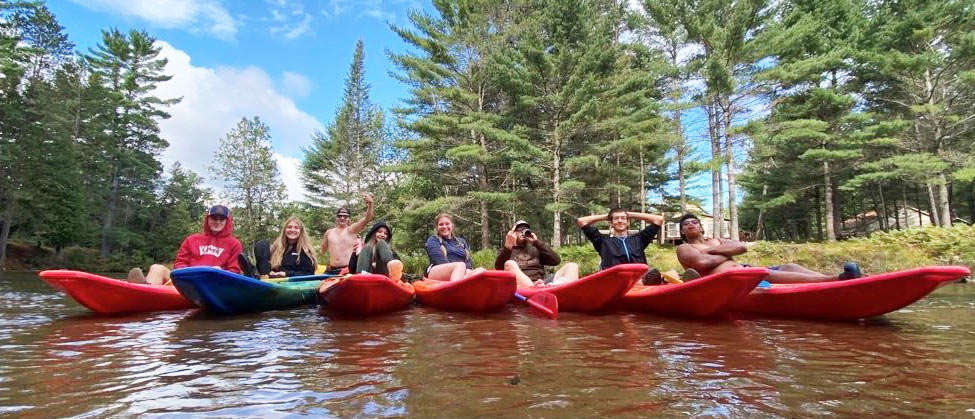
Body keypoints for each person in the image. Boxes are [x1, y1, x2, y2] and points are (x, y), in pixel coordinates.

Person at [675, 213, 861, 283]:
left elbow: (741, 248)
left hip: (743, 271)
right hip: (729, 284)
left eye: (694, 222)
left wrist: (712, 250)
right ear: (682, 231)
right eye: (686, 224)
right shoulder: (684, 248)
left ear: (701, 227)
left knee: (789, 267)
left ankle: (843, 282)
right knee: (762, 273)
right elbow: (702, 263)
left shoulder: (715, 241)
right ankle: (836, 279)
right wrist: (726, 253)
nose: (691, 225)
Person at [127, 205, 243, 285]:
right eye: (213, 218)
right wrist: (191, 275)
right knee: (156, 268)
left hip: (213, 283)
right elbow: (179, 264)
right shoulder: (191, 239)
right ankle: (145, 290)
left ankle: (144, 291)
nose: (217, 222)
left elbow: (234, 271)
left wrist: (217, 272)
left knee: (216, 270)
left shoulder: (234, 244)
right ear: (208, 219)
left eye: (221, 219)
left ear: (226, 222)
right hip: (187, 281)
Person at [495, 220, 579, 288]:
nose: (523, 232)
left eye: (525, 230)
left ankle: (570, 292)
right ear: (513, 233)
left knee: (572, 266)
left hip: (541, 283)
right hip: (522, 286)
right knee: (509, 263)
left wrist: (537, 243)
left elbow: (556, 261)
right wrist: (508, 248)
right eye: (520, 230)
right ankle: (535, 290)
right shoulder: (506, 250)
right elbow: (499, 269)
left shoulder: (536, 248)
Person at [576, 208, 665, 270]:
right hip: (615, 281)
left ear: (628, 222)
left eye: (623, 218)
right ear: (611, 223)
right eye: (616, 218)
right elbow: (581, 221)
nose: (620, 221)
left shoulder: (639, 239)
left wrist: (630, 214)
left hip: (638, 279)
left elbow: (659, 219)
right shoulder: (602, 241)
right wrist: (608, 215)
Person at [320, 193, 374, 275]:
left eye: (345, 216)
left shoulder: (351, 230)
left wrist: (370, 204)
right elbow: (323, 250)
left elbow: (367, 219)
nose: (342, 218)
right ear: (336, 218)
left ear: (349, 218)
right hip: (331, 269)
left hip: (347, 270)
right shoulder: (329, 232)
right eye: (340, 216)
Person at [247, 216, 317, 279]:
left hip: (294, 282)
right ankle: (255, 274)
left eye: (296, 228)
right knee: (262, 244)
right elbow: (269, 265)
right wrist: (271, 272)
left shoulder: (306, 250)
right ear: (284, 230)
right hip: (272, 280)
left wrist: (286, 274)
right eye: (289, 227)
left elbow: (308, 274)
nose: (292, 230)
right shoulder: (276, 247)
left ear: (301, 231)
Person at [424, 213, 485, 281]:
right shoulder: (433, 240)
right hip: (436, 270)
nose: (444, 226)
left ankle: (462, 281)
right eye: (441, 224)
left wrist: (466, 271)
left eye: (447, 224)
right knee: (460, 265)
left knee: (481, 270)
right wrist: (461, 270)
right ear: (437, 227)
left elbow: (468, 261)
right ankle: (455, 288)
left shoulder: (462, 241)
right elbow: (439, 260)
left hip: (461, 272)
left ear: (452, 226)